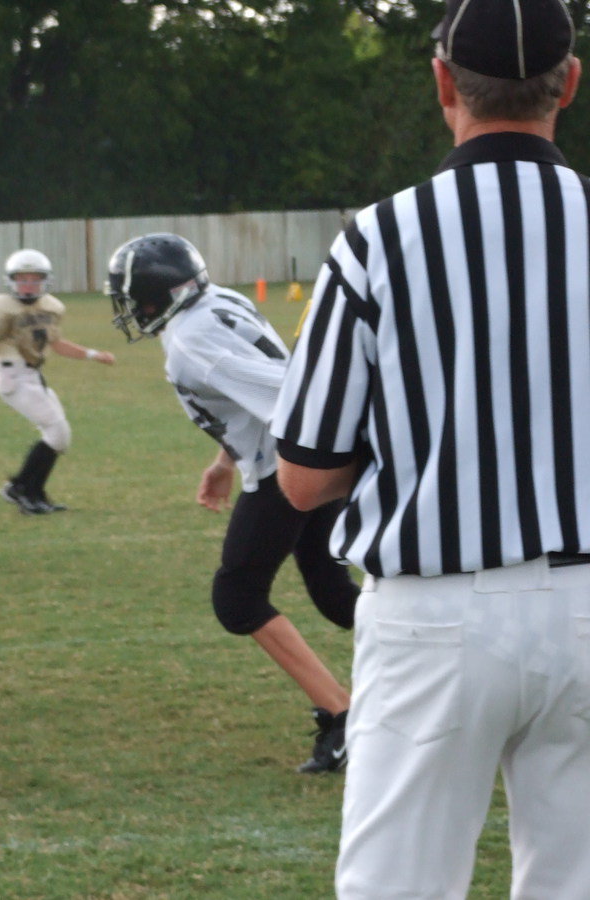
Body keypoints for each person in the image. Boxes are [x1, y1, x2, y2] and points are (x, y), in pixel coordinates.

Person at [272, 1, 590, 894]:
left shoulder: (379, 238)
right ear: (568, 82)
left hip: (436, 614)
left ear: (443, 81)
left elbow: (303, 476)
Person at [106, 232, 359, 773]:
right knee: (335, 595)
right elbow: (256, 394)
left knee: (237, 597)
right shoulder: (220, 299)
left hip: (286, 469)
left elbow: (293, 397)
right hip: (294, 462)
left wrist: (310, 470)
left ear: (160, 296)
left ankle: (343, 717)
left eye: (137, 300)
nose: (132, 311)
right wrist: (225, 461)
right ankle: (446, 657)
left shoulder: (190, 340)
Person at [0, 249, 115, 514]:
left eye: (35, 279)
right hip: (12, 376)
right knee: (57, 433)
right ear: (10, 280)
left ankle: (33, 491)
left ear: (46, 281)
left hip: (34, 375)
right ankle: (19, 488)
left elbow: (57, 344)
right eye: (22, 279)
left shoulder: (51, 307)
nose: (28, 285)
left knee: (60, 436)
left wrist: (94, 355)